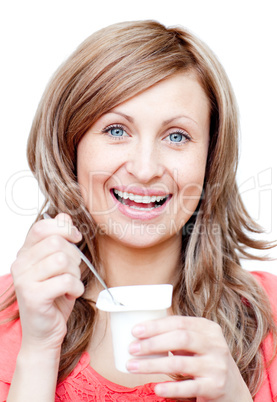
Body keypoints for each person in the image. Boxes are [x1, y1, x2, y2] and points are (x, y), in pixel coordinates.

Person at [0, 20, 276, 402]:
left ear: (210, 158)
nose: (145, 169)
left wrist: (234, 395)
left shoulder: (270, 314)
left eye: (176, 136)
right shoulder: (9, 315)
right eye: (116, 130)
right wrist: (37, 350)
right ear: (70, 144)